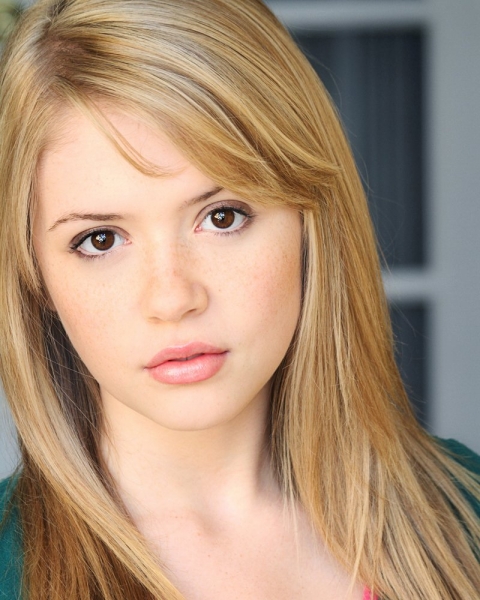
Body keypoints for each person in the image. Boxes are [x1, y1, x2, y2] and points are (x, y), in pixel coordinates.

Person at [0, 0, 478, 598]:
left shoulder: (463, 515)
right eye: (99, 239)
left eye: (222, 216)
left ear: (310, 223)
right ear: (35, 273)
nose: (172, 298)